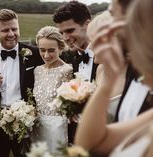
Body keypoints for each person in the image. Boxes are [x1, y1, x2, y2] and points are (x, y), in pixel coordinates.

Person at [75, 0, 153, 156]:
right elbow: (91, 143)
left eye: (112, 15)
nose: (111, 27)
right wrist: (107, 83)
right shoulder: (131, 72)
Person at [0, 9, 43, 157]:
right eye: (5, 30)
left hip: (27, 124)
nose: (11, 34)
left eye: (14, 29)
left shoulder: (34, 54)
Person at [53, 1, 98, 143]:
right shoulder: (74, 58)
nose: (65, 37)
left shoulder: (104, 56)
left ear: (87, 25)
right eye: (61, 33)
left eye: (70, 30)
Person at [31, 26, 73, 153]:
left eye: (51, 50)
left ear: (61, 48)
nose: (46, 55)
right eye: (42, 50)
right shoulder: (37, 70)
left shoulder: (67, 71)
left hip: (57, 129)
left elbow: (70, 105)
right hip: (37, 127)